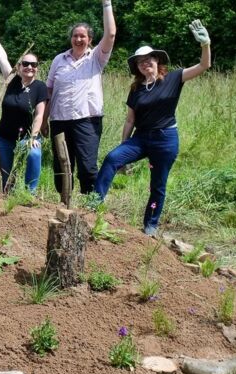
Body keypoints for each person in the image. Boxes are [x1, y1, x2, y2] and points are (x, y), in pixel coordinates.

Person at [95, 20, 211, 236]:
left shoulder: (174, 78)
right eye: (140, 62)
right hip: (140, 139)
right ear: (137, 67)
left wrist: (205, 45)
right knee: (112, 159)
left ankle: (150, 225)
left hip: (165, 139)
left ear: (157, 60)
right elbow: (130, 120)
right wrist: (124, 146)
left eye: (148, 59)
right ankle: (94, 204)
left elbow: (204, 66)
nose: (145, 63)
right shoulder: (136, 88)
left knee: (157, 184)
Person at [44, 0, 116, 195]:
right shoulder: (59, 59)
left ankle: (89, 204)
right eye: (75, 36)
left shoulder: (96, 59)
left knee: (87, 167)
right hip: (59, 121)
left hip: (88, 121)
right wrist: (43, 120)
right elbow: (49, 91)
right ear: (71, 39)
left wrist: (106, 4)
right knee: (61, 167)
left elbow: (110, 34)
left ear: (90, 39)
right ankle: (64, 203)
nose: (78, 39)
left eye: (82, 36)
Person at [0, 21, 48, 193]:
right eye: (25, 63)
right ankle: (7, 199)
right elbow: (1, 58)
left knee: (34, 154)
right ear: (19, 66)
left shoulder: (40, 87)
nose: (29, 67)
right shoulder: (12, 81)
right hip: (4, 138)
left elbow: (39, 115)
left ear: (37, 68)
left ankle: (30, 193)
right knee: (6, 180)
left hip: (26, 138)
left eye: (33, 65)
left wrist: (34, 137)